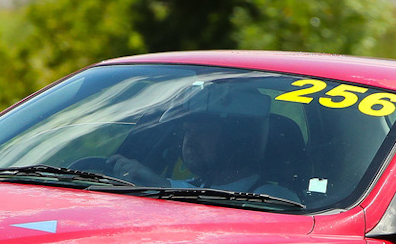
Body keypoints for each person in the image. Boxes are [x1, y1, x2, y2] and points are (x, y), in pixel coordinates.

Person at [103, 83, 298, 202]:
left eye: (203, 131)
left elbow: (226, 213)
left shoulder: (276, 198)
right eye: (188, 131)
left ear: (239, 138)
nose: (190, 140)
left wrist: (161, 185)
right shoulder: (191, 185)